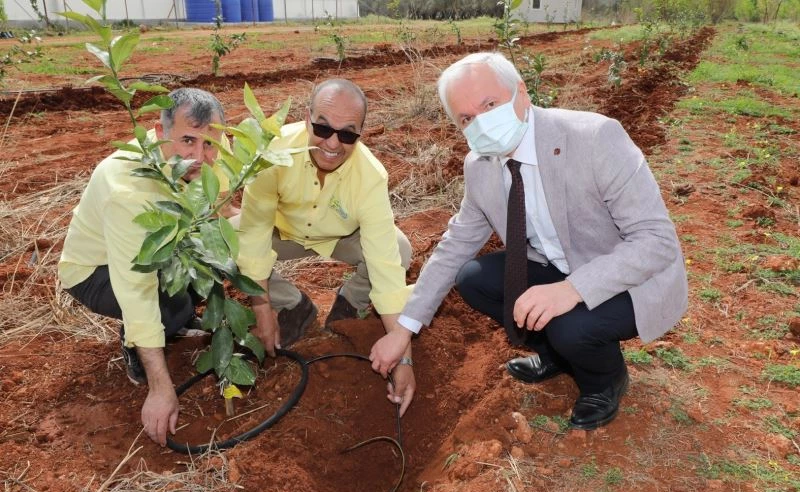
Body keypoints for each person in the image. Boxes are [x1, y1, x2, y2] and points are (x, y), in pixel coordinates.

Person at [369, 52, 688, 430]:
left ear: (521, 92)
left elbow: (656, 241)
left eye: (490, 104)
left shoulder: (594, 138)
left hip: (630, 276)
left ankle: (606, 381)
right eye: (467, 118)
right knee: (473, 277)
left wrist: (571, 289)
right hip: (558, 265)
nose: (481, 122)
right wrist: (404, 329)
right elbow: (455, 245)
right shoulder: (481, 165)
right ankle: (555, 355)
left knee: (571, 327)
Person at [59, 88, 234, 446]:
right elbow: (134, 288)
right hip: (98, 272)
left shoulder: (206, 149)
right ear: (159, 131)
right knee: (168, 306)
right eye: (187, 141)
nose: (199, 156)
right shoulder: (127, 188)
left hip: (162, 249)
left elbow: (223, 211)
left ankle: (177, 315)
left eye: (210, 145)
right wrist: (161, 388)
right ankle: (136, 344)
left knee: (206, 270)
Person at [236, 79, 414, 411]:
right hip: (283, 234)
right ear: (307, 119)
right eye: (322, 128)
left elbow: (386, 267)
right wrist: (263, 309)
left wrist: (404, 360)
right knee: (223, 244)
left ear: (360, 134)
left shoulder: (370, 176)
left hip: (339, 237)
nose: (333, 143)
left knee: (400, 250)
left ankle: (347, 306)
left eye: (347, 134)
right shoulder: (273, 155)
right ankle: (293, 307)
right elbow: (254, 236)